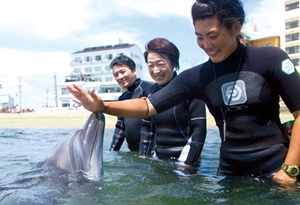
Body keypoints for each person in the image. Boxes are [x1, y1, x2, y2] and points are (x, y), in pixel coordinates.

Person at [67, 0, 300, 184]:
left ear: (235, 27)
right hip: (231, 170)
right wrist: (103, 107)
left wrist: (289, 170)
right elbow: (148, 105)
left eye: (213, 35)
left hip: (275, 165)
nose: (206, 45)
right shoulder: (200, 76)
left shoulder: (270, 58)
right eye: (199, 37)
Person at [139, 37, 206, 166]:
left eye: (160, 64)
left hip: (185, 161)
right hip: (158, 159)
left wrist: (187, 163)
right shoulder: (149, 93)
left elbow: (199, 130)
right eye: (150, 65)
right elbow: (147, 130)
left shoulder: (190, 89)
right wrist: (143, 157)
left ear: (174, 63)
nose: (155, 70)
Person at [109, 55, 153, 152]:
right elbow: (120, 128)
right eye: (116, 74)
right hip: (133, 151)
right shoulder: (122, 98)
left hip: (150, 150)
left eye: (122, 72)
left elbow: (154, 123)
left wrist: (145, 153)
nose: (120, 77)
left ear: (134, 70)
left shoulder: (150, 88)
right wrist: (112, 151)